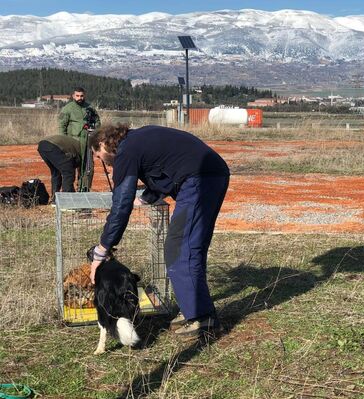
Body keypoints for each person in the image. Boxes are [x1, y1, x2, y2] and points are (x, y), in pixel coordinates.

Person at [88, 123, 230, 337]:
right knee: (190, 247)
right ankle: (196, 310)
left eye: (98, 156)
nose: (103, 162)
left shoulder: (126, 151)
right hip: (208, 175)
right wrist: (147, 197)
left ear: (102, 144)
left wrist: (103, 248)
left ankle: (203, 318)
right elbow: (162, 167)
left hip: (198, 179)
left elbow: (120, 205)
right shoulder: (137, 139)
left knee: (179, 249)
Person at [58, 87, 101, 192]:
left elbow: (98, 121)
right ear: (73, 96)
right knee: (70, 168)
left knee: (87, 168)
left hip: (87, 142)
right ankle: (69, 192)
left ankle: (84, 190)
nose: (80, 98)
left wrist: (95, 131)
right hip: (73, 142)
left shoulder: (89, 107)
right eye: (77, 96)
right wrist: (64, 143)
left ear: (84, 95)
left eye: (81, 96)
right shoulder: (68, 108)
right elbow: (62, 126)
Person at [37, 135, 82, 201]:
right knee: (68, 173)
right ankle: (67, 201)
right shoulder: (83, 151)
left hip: (42, 146)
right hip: (53, 147)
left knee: (56, 172)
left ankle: (55, 199)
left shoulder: (77, 145)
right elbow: (82, 171)